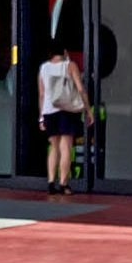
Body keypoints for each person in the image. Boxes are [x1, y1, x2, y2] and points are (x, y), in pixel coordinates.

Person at [38, 44, 89, 195]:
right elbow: (80, 88)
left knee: (54, 147)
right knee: (66, 146)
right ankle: (64, 184)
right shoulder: (70, 65)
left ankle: (50, 182)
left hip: (49, 110)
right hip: (67, 109)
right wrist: (87, 109)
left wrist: (41, 117)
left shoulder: (44, 68)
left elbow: (41, 94)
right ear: (64, 52)